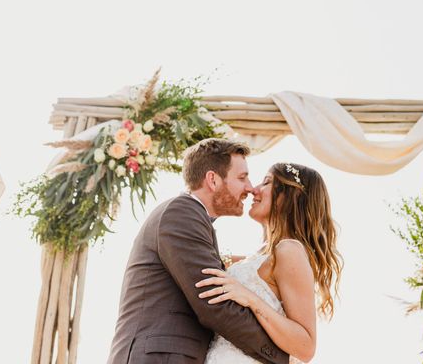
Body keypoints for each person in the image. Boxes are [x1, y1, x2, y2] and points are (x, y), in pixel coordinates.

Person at [107, 138, 288, 364]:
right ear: (212, 180)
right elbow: (214, 304)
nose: (250, 188)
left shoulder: (192, 218)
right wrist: (283, 356)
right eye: (242, 177)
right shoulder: (181, 213)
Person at [198, 163, 343, 363]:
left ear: (290, 196)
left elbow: (305, 347)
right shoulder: (254, 258)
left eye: (266, 182)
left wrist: (250, 299)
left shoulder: (289, 250)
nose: (254, 190)